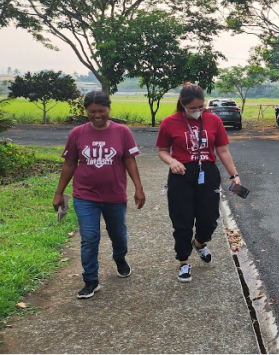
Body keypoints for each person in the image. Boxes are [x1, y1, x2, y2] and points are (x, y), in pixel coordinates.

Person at [53, 90, 146, 299]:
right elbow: (69, 164)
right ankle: (91, 280)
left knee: (119, 235)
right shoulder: (77, 133)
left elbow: (130, 161)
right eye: (92, 111)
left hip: (115, 195)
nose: (97, 115)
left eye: (102, 111)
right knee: (89, 237)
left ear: (109, 109)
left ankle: (120, 257)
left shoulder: (122, 132)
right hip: (85, 195)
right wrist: (59, 193)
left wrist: (138, 188)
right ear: (86, 111)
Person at [156, 83, 242, 283]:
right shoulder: (169, 122)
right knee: (182, 221)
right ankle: (184, 262)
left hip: (207, 172)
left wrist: (234, 175)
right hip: (181, 174)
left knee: (209, 218)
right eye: (192, 108)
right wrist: (172, 161)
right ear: (182, 105)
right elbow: (162, 151)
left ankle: (200, 243)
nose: (197, 111)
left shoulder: (213, 121)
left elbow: (222, 150)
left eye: (200, 107)